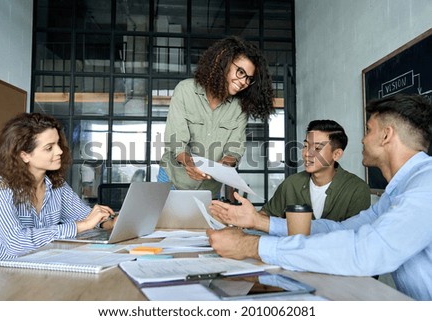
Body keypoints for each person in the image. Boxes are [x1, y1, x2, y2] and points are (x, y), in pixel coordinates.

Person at [207, 94, 432, 301]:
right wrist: (259, 222)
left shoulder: (425, 186)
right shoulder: (400, 190)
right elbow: (340, 230)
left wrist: (252, 246)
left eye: (368, 130)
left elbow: (364, 251)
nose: (363, 140)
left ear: (386, 135)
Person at [0, 112, 116, 266]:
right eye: (49, 148)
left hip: (36, 267)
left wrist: (109, 221)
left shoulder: (57, 185)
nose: (59, 151)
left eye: (58, 144)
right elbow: (16, 243)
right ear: (24, 155)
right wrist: (81, 226)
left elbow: (86, 216)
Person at [159, 36, 274, 197]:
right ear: (223, 62)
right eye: (240, 72)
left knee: (205, 223)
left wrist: (220, 168)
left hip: (210, 189)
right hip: (172, 181)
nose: (243, 82)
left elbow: (234, 150)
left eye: (249, 78)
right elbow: (176, 139)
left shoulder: (239, 108)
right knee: (165, 223)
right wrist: (189, 164)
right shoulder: (185, 91)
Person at [263, 119, 370, 221]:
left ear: (336, 154)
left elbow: (356, 235)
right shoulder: (291, 184)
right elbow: (266, 215)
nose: (307, 154)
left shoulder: (357, 189)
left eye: (317, 148)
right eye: (305, 146)